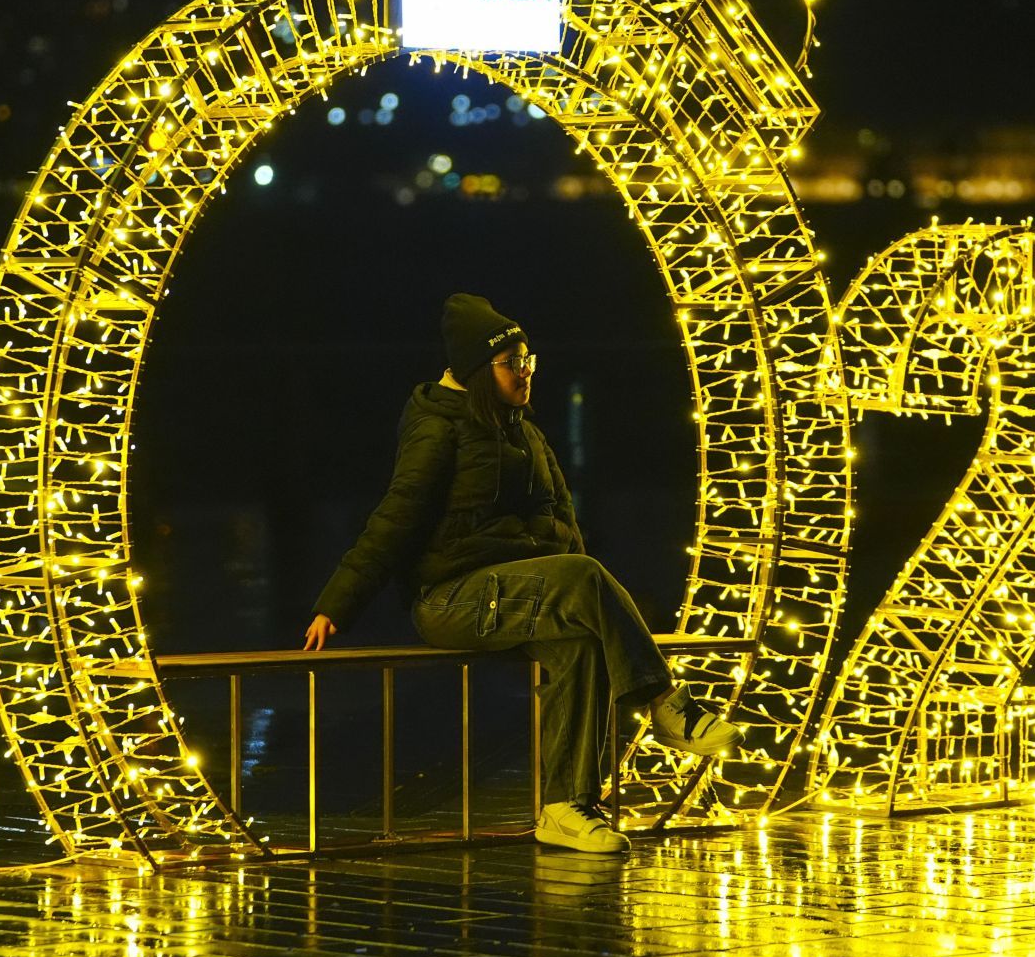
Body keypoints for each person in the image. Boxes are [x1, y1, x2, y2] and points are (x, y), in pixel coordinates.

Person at [303, 293, 742, 854]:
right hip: (450, 599)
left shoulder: (524, 434)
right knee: (584, 575)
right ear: (478, 369)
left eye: (530, 360)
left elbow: (563, 522)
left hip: (519, 594)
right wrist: (336, 604)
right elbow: (395, 516)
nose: (525, 373)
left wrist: (577, 588)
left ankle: (566, 807)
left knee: (582, 644)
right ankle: (665, 704)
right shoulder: (440, 428)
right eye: (513, 363)